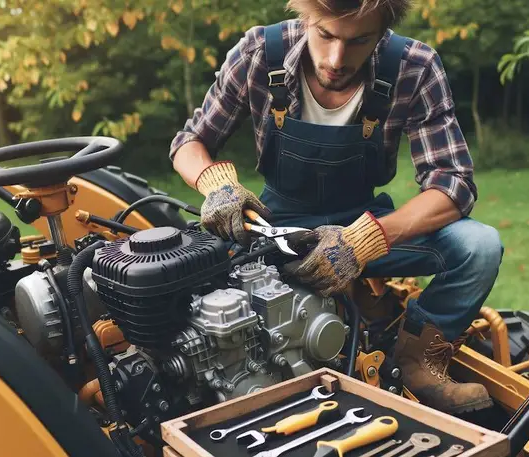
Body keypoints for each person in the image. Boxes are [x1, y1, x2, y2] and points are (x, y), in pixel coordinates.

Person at [168, 0, 504, 415]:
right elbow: (189, 143)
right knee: (186, 278)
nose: (335, 59)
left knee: (480, 246)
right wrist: (216, 185)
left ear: (382, 30)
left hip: (368, 225)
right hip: (277, 229)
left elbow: (453, 184)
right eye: (325, 35)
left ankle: (416, 361)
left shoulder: (414, 67)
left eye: (359, 40)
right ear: (306, 17)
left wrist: (364, 240)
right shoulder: (260, 53)